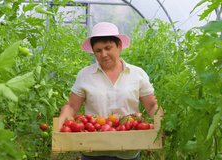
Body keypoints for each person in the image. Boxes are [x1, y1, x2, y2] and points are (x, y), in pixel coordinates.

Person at [58, 22, 164, 160]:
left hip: (128, 151)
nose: (104, 54)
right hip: (93, 151)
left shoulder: (137, 74)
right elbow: (71, 106)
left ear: (119, 46)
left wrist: (161, 124)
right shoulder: (85, 75)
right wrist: (60, 125)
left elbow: (151, 106)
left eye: (108, 48)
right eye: (98, 50)